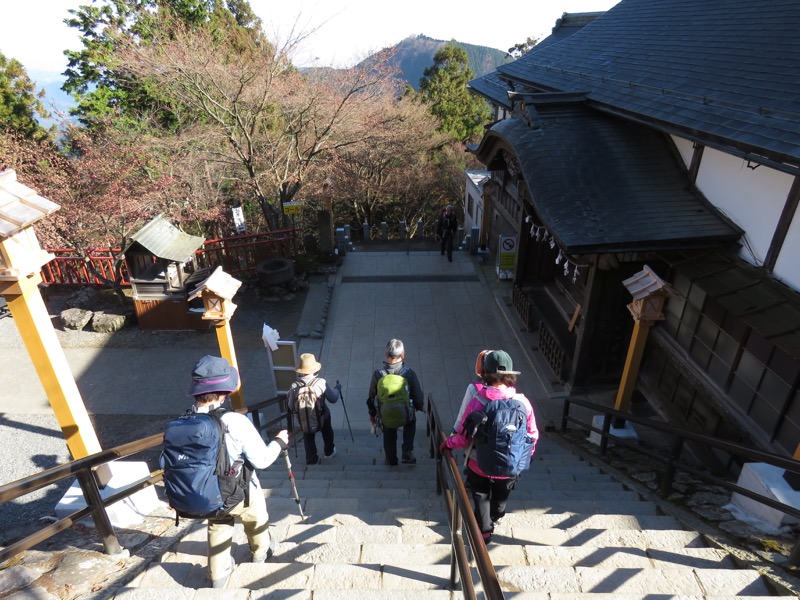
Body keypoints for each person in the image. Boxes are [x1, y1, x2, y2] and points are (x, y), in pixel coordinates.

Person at [185, 355, 289, 589]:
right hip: (239, 492)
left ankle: (218, 577)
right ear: (223, 393)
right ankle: (260, 553)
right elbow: (261, 460)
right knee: (256, 519)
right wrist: (279, 442)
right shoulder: (234, 421)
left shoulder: (186, 421)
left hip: (205, 492)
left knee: (218, 526)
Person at [440, 350, 539, 544]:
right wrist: (523, 457)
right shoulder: (523, 403)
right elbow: (532, 436)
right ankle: (497, 514)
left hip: (480, 463)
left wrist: (446, 444)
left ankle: (484, 531)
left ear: (485, 374)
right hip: (510, 465)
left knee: (480, 492)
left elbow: (463, 437)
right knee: (502, 493)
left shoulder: (478, 402)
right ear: (510, 375)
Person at [367, 339, 424, 466]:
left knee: (388, 430)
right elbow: (418, 397)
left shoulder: (378, 374)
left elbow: (371, 397)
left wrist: (372, 415)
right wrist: (419, 407)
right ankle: (407, 452)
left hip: (386, 414)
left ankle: (391, 459)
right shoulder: (409, 374)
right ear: (403, 355)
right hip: (405, 413)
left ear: (386, 355)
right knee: (411, 421)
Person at [286, 353, 341, 466]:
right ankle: (329, 451)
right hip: (322, 416)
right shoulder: (321, 383)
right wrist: (337, 389)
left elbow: (291, 407)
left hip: (304, 419)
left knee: (308, 435)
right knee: (327, 431)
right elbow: (333, 399)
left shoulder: (294, 386)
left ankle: (311, 460)